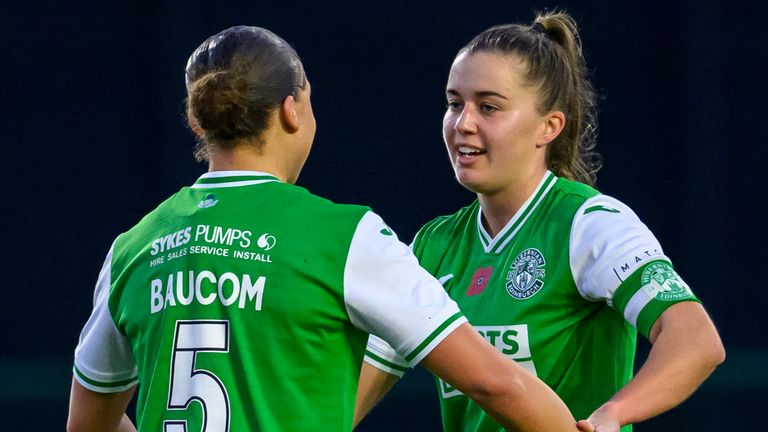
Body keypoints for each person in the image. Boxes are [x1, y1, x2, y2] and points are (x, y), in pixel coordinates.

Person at [66, 25, 584, 432]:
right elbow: (497, 385)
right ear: (293, 110)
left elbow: (87, 423)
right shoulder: (344, 238)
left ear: (198, 121)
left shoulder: (133, 249)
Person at [358, 11, 725, 432]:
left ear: (549, 126)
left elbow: (696, 341)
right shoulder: (433, 245)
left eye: (489, 107)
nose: (463, 124)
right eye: (454, 103)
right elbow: (356, 389)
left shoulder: (589, 223)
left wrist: (614, 413)